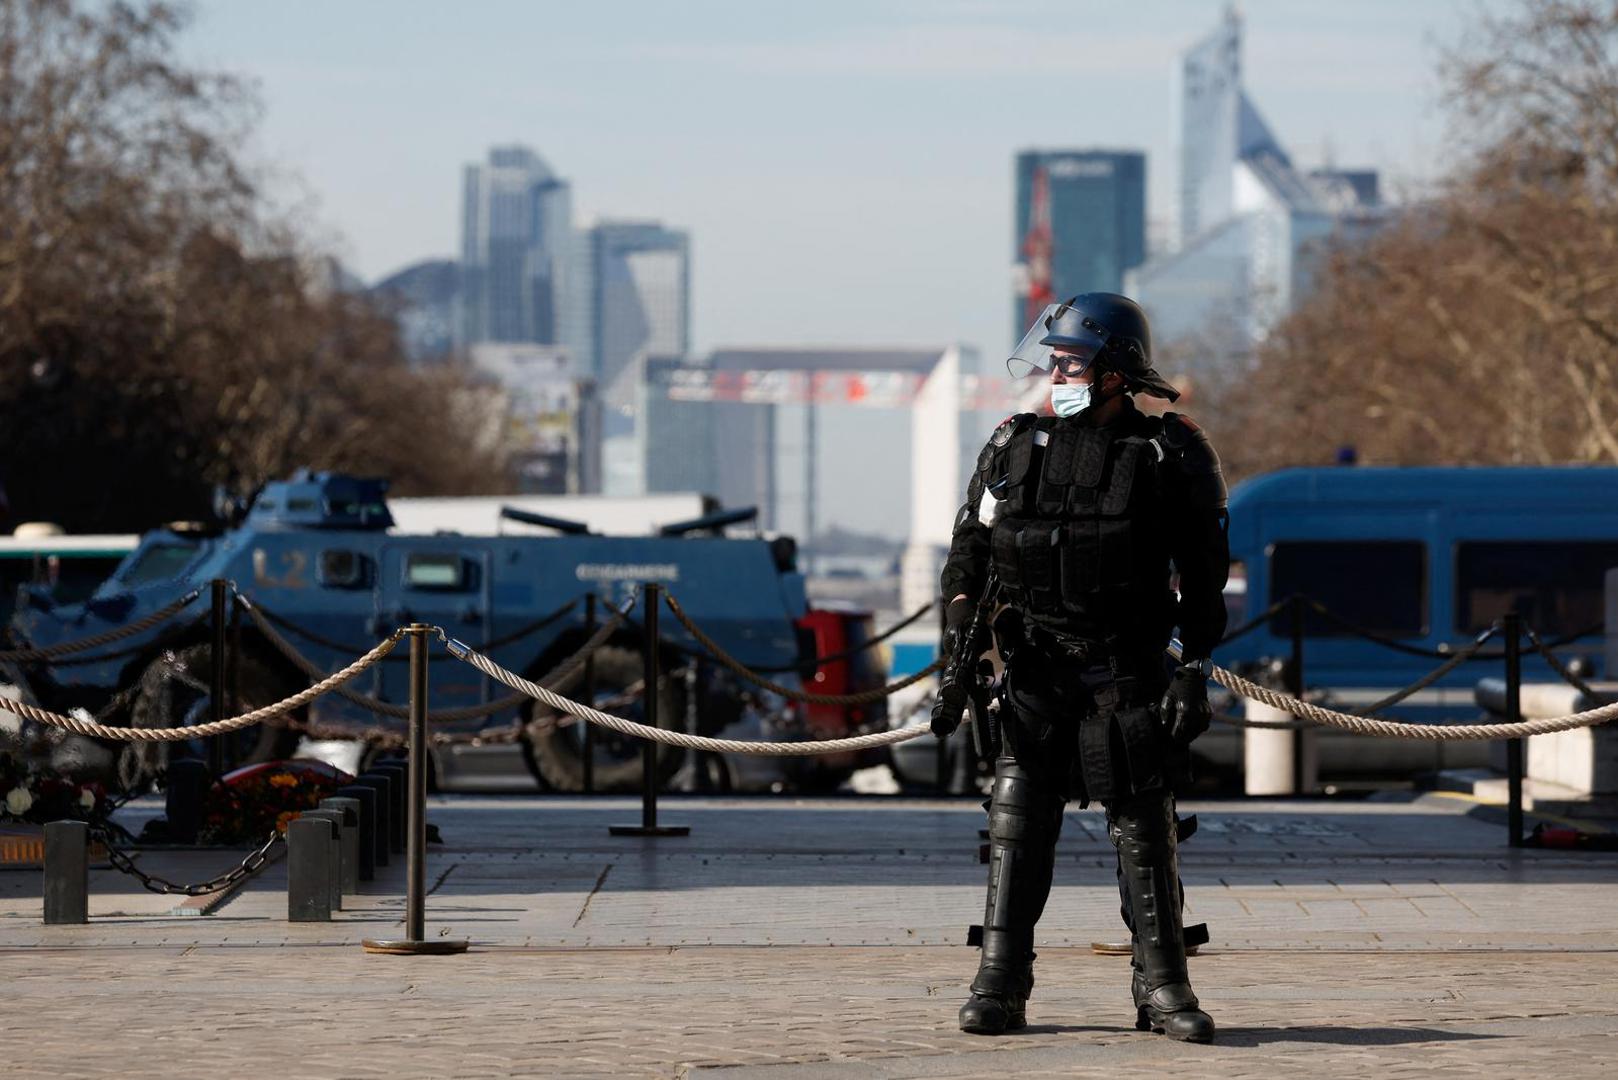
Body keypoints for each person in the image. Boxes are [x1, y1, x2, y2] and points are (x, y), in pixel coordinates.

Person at [935, 292, 1229, 1043]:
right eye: (1055, 358)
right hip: (1034, 667)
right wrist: (960, 643)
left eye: (1070, 360)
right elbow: (969, 549)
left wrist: (1194, 665)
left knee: (1143, 831)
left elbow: (1203, 575)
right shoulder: (1013, 443)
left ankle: (1162, 985)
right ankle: (1000, 982)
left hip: (1126, 668)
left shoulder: (1170, 452)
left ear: (1113, 372)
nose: (1055, 372)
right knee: (1017, 824)